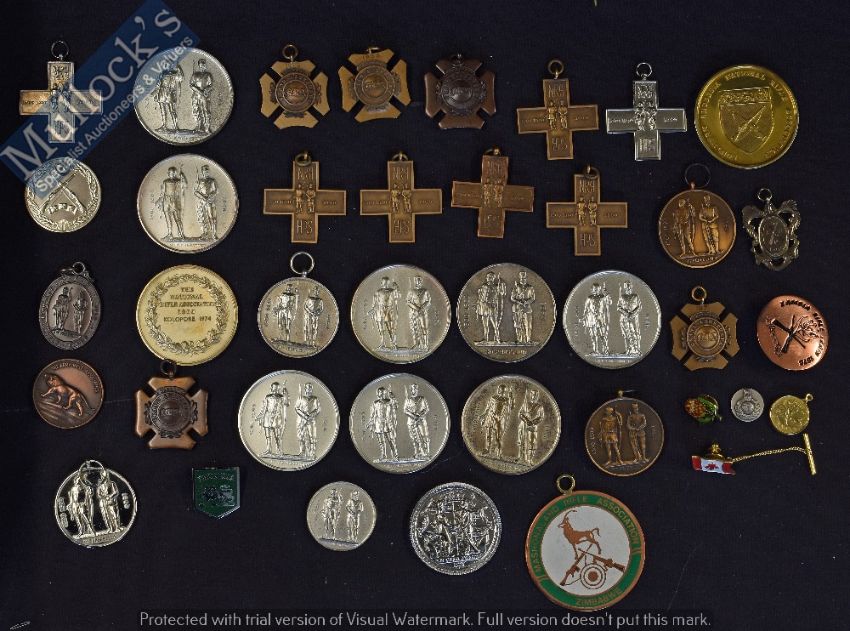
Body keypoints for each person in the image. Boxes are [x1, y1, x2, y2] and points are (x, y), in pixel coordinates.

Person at [479, 384, 513, 459]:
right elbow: (488, 407)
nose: (501, 391)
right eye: (500, 390)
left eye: (502, 390)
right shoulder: (493, 398)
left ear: (504, 391)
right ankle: (487, 449)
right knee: (488, 434)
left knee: (498, 436)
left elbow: (510, 408)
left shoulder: (506, 400)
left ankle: (498, 452)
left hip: (499, 419)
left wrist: (511, 397)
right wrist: (484, 415)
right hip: (491, 417)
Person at [255, 382, 288, 457]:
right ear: (271, 388)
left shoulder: (281, 397)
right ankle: (269, 450)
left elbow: (286, 403)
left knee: (277, 435)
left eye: (277, 388)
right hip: (267, 417)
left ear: (278, 389)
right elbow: (264, 407)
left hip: (277, 417)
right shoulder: (268, 397)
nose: (275, 389)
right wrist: (260, 416)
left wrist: (285, 394)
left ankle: (279, 451)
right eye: (274, 388)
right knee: (268, 435)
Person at [368, 386, 398, 461]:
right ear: (378, 393)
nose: (381, 394)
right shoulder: (375, 402)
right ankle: (383, 455)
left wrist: (393, 398)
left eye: (382, 392)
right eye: (380, 392)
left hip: (387, 423)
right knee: (381, 441)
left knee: (390, 440)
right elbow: (373, 413)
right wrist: (370, 422)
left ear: (385, 393)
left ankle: (395, 455)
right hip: (378, 423)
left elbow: (396, 407)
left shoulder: (389, 401)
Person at [476, 271, 506, 344]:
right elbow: (481, 297)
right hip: (484, 306)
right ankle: (485, 339)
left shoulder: (496, 287)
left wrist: (502, 284)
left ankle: (497, 339)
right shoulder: (484, 286)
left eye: (490, 277)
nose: (488, 278)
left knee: (495, 324)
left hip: (492, 307)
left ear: (493, 278)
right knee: (485, 324)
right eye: (488, 277)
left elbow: (503, 293)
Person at [370, 276, 399, 350]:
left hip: (389, 310)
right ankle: (382, 343)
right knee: (381, 328)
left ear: (388, 283)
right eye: (384, 282)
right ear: (381, 283)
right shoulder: (378, 291)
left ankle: (393, 344)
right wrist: (373, 309)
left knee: (390, 328)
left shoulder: (392, 291)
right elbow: (375, 301)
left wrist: (397, 288)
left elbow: (398, 296)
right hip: (380, 310)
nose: (385, 283)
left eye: (387, 282)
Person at [581, 283, 611, 355]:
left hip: (600, 318)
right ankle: (595, 350)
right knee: (593, 335)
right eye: (594, 289)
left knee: (602, 334)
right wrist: (583, 318)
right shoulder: (589, 298)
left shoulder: (602, 297)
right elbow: (586, 309)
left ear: (599, 289)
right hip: (591, 318)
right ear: (591, 290)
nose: (595, 290)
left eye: (597, 289)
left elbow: (609, 303)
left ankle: (605, 349)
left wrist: (606, 294)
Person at [517, 388, 545, 464]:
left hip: (532, 427)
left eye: (535, 395)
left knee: (532, 443)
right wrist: (526, 420)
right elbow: (520, 414)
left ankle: (529, 459)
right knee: (521, 441)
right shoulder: (525, 404)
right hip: (523, 425)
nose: (533, 396)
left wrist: (532, 422)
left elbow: (541, 417)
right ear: (530, 395)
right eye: (532, 394)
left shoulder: (539, 407)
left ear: (537, 396)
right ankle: (520, 457)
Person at [159, 166, 187, 239]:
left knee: (177, 218)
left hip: (175, 201)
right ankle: (170, 234)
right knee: (168, 219)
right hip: (166, 201)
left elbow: (185, 185)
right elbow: (162, 192)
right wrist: (160, 200)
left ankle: (181, 234)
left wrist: (183, 177)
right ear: (168, 173)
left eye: (173, 173)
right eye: (170, 173)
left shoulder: (178, 181)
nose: (171, 174)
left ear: (175, 173)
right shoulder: (165, 182)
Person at [153, 63, 182, 131]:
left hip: (169, 93)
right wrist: (155, 93)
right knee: (162, 110)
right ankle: (164, 126)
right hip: (161, 92)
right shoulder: (162, 74)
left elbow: (180, 78)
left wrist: (179, 69)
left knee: (172, 110)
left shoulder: (174, 75)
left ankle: (176, 127)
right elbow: (158, 85)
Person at [404, 383, 430, 459]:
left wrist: (419, 415)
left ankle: (426, 452)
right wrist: (413, 416)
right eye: (412, 389)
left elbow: (426, 409)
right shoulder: (408, 400)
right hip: (411, 422)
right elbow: (405, 410)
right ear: (411, 390)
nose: (414, 390)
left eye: (415, 389)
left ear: (417, 390)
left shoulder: (422, 398)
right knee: (414, 438)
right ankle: (417, 452)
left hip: (421, 420)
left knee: (424, 435)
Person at [295, 382, 320, 460]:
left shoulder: (315, 399)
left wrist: (310, 416)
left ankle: (312, 453)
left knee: (312, 437)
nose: (309, 390)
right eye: (307, 388)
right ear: (305, 389)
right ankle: (302, 452)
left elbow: (317, 409)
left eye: (310, 388)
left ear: (312, 389)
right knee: (301, 436)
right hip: (302, 421)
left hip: (311, 421)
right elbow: (297, 408)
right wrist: (304, 416)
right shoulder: (301, 398)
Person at [617, 280, 642, 356]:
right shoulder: (622, 297)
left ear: (631, 286)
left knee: (635, 333)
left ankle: (636, 350)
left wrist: (632, 314)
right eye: (626, 286)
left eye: (629, 286)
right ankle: (628, 350)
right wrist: (626, 313)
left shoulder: (635, 296)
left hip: (634, 318)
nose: (628, 288)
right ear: (624, 287)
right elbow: (618, 307)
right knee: (626, 334)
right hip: (624, 318)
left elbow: (639, 307)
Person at [511, 270, 535, 344]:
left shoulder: (530, 287)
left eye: (524, 278)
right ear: (519, 278)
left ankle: (528, 339)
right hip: (517, 308)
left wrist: (526, 302)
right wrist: (519, 302)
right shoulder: (516, 287)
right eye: (522, 278)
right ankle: (519, 339)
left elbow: (533, 298)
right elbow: (512, 298)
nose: (523, 279)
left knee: (528, 324)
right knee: (518, 324)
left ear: (526, 278)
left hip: (527, 308)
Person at [194, 164, 218, 240]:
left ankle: (214, 234)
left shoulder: (212, 181)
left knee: (212, 218)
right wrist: (203, 197)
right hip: (202, 202)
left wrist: (210, 196)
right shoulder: (200, 181)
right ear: (202, 172)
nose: (206, 173)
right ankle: (205, 233)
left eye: (207, 171)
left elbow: (215, 191)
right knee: (202, 218)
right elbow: (196, 192)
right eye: (205, 171)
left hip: (210, 201)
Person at [407, 276, 431, 351]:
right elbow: (408, 301)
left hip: (423, 312)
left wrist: (422, 308)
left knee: (424, 328)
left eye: (419, 281)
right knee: (415, 328)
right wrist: (417, 308)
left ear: (421, 281)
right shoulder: (411, 291)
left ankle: (426, 344)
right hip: (414, 312)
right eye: (416, 281)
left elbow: (428, 301)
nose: (418, 282)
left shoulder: (425, 291)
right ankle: (417, 344)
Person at [190, 58, 213, 133]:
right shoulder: (195, 75)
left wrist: (206, 90)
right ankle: (199, 126)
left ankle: (207, 127)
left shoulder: (208, 75)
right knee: (196, 110)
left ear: (205, 66)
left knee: (206, 111)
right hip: (196, 95)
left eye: (203, 65)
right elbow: (191, 85)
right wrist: (199, 91)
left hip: (205, 96)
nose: (202, 67)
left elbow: (211, 85)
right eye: (201, 65)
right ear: (199, 66)